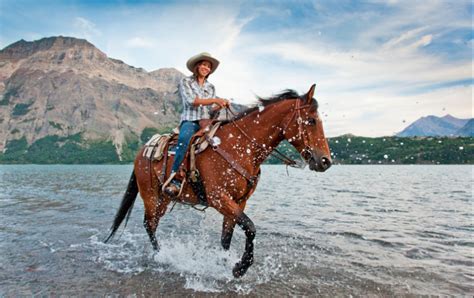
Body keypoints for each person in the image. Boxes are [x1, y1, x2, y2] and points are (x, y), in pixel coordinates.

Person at [164, 52, 229, 197]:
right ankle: (175, 179)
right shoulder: (186, 82)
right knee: (184, 140)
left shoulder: (211, 87)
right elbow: (191, 101)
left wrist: (219, 106)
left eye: (209, 66)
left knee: (223, 142)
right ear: (197, 66)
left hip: (206, 122)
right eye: (204, 64)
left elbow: (209, 110)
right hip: (191, 120)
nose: (206, 68)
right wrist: (215, 100)